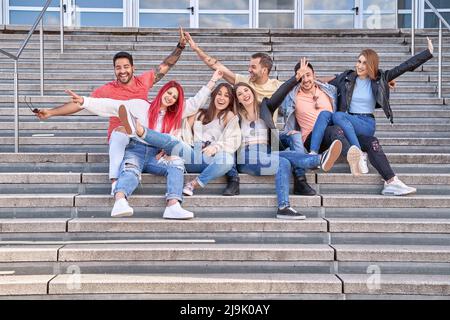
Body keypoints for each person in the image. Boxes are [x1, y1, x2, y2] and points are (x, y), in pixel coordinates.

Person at [37, 71, 223, 218]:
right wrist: (85, 101)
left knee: (176, 163)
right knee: (131, 169)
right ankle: (119, 201)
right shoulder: (140, 105)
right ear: (162, 91)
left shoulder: (173, 115)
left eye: (174, 97)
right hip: (137, 147)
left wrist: (212, 81)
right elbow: (111, 104)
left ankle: (173, 205)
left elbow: (196, 102)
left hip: (157, 155)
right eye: (169, 93)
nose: (171, 98)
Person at [36, 28, 187, 195]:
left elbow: (166, 65)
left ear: (133, 68)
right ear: (114, 69)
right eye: (118, 68)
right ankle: (116, 182)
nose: (122, 71)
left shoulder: (143, 81)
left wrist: (180, 46)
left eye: (126, 67)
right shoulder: (107, 89)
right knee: (122, 133)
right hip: (121, 138)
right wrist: (50, 112)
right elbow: (81, 104)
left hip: (140, 136)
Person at [184, 32, 315, 196]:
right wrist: (196, 48)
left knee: (294, 135)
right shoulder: (243, 82)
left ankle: (300, 180)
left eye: (253, 67)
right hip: (244, 136)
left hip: (269, 136)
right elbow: (217, 65)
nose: (249, 69)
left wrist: (315, 79)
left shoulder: (276, 86)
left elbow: (290, 89)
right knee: (230, 138)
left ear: (264, 70)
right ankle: (233, 179)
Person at [281, 60, 418, 196]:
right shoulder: (292, 96)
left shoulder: (328, 89)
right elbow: (276, 98)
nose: (305, 80)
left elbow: (349, 80)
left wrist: (381, 84)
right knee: (335, 130)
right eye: (301, 77)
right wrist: (294, 80)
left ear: (314, 75)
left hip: (336, 135)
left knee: (371, 141)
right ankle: (356, 158)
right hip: (312, 138)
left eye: (308, 75)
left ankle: (391, 181)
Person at [233, 59, 342, 220]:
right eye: (240, 94)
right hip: (248, 156)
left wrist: (296, 78)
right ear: (238, 100)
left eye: (246, 90)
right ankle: (286, 202)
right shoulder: (235, 115)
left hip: (268, 151)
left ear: (252, 92)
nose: (244, 95)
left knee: (289, 148)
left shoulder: (265, 107)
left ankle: (316, 162)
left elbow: (281, 93)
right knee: (283, 162)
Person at [308, 37, 434, 176]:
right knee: (325, 114)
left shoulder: (381, 79)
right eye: (359, 61)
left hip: (366, 123)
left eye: (365, 63)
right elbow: (331, 79)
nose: (360, 66)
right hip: (348, 120)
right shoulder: (347, 78)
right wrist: (311, 80)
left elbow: (404, 66)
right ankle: (313, 155)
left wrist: (427, 53)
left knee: (338, 115)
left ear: (371, 65)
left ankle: (359, 154)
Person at [181, 82, 241, 196]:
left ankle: (193, 184)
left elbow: (233, 138)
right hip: (194, 153)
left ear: (230, 100)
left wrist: (215, 147)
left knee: (227, 159)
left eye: (227, 96)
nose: (222, 98)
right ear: (213, 95)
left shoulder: (228, 115)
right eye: (219, 94)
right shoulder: (199, 113)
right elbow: (183, 133)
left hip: (213, 156)